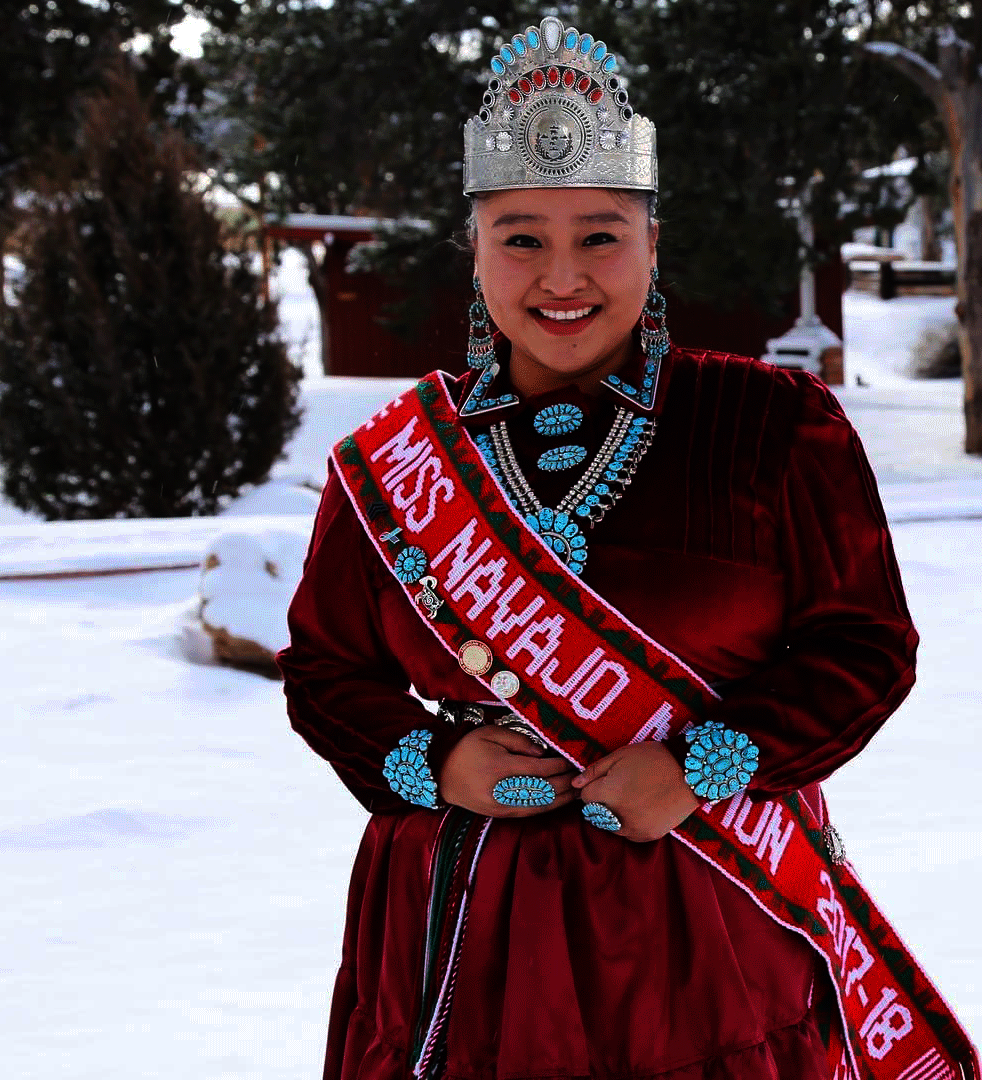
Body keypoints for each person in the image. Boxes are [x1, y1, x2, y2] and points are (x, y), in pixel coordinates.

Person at [276, 16, 978, 1080]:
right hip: (453, 919)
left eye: (600, 234)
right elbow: (327, 669)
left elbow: (864, 648)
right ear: (476, 250)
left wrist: (703, 768)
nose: (563, 275)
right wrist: (433, 763)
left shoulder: (774, 425)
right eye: (521, 236)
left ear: (652, 242)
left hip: (705, 916)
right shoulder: (388, 459)